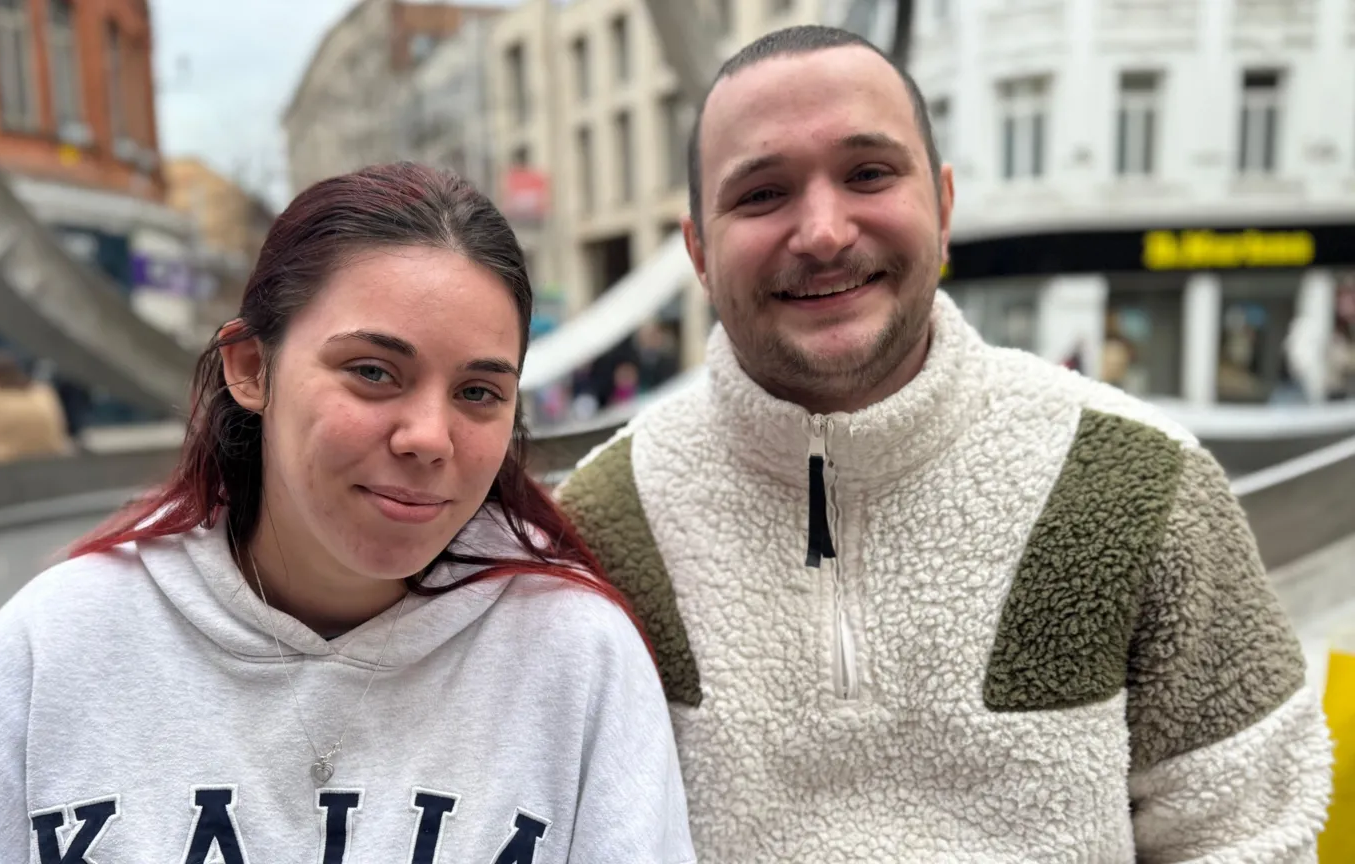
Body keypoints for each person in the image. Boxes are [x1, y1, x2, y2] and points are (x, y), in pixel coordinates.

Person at [556, 25, 1331, 862]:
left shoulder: (1142, 483)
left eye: (868, 174)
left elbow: (1254, 829)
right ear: (699, 253)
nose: (821, 231)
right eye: (762, 194)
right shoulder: (598, 526)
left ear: (945, 206)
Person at [0, 163, 694, 864]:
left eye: (478, 393)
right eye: (374, 372)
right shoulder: (54, 647)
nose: (428, 437)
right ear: (251, 367)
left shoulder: (575, 659)